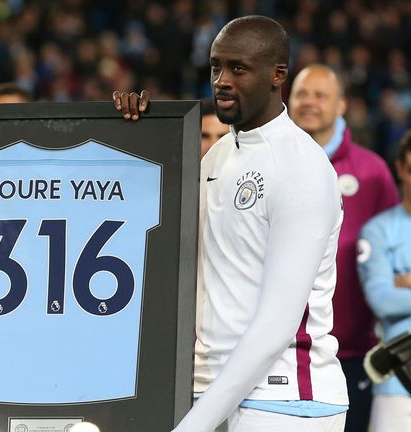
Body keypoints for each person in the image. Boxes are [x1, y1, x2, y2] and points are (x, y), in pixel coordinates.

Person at [115, 15, 348, 431]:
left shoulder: (302, 168)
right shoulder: (216, 158)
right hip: (209, 393)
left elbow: (278, 324)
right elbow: (150, 237)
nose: (221, 80)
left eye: (238, 68)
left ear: (278, 76)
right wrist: (135, 137)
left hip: (286, 399)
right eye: (215, 66)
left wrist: (194, 424)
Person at [289, 64, 399, 432]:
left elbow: (396, 250)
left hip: (349, 353)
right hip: (277, 353)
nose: (309, 103)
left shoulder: (372, 172)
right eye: (302, 93)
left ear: (341, 106)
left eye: (321, 95)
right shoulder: (268, 163)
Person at [357, 130, 411, 432]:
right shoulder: (379, 230)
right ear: (401, 167)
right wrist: (393, 288)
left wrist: (403, 281)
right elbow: (382, 300)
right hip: (396, 386)